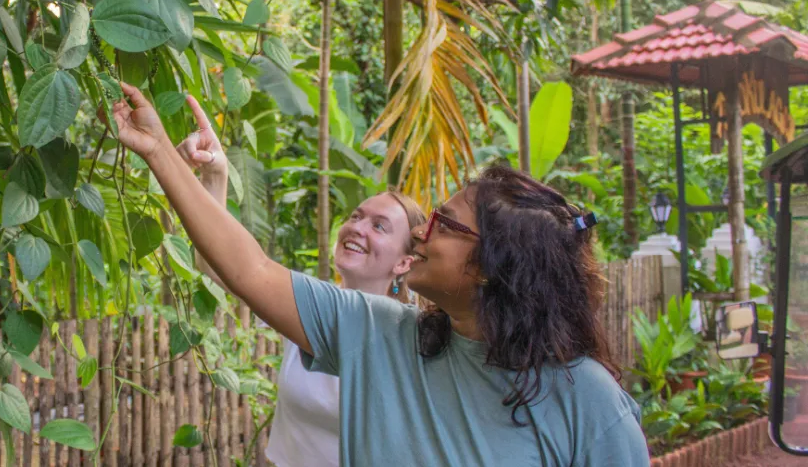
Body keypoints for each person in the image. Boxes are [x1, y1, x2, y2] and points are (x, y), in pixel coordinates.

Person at [109, 82, 649, 466]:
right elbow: (248, 268)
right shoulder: (377, 332)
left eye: (443, 224)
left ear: (491, 268)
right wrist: (159, 151)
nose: (421, 233)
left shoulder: (588, 403)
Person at [169, 97, 426, 467]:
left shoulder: (416, 341)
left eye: (379, 226)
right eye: (356, 216)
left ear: (405, 262)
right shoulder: (311, 305)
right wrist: (214, 175)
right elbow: (220, 267)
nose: (356, 227)